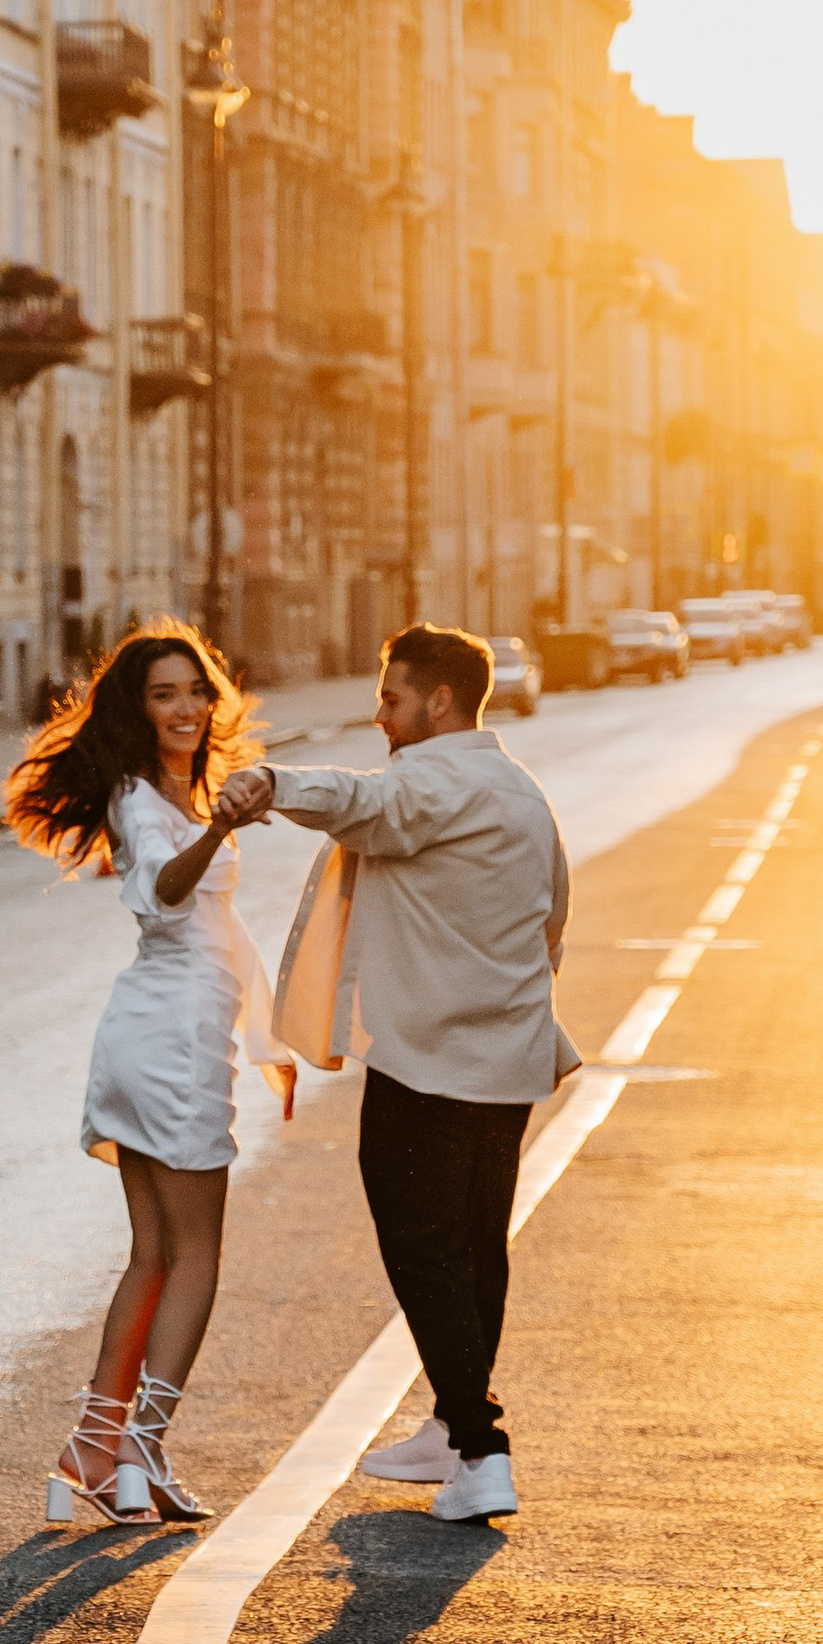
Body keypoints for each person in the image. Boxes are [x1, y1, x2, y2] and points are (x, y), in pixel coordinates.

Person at [227, 624, 574, 1524]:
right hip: (505, 1060)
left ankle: (480, 1442)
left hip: (429, 1063)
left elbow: (362, 801)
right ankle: (451, 1433)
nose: (380, 715)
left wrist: (270, 784)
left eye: (391, 699)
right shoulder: (519, 790)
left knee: (420, 1247)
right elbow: (552, 925)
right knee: (472, 1249)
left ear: (440, 702)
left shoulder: (434, 778)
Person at [5, 623, 289, 1530]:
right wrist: (218, 831)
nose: (185, 709)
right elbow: (165, 894)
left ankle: (93, 1449)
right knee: (196, 1254)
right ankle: (146, 1449)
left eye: (195, 692)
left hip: (151, 1037)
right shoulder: (140, 799)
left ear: (213, 703)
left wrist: (273, 1041)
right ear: (140, 709)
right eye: (164, 695)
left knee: (154, 1254)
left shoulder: (180, 791)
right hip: (169, 1046)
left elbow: (224, 935)